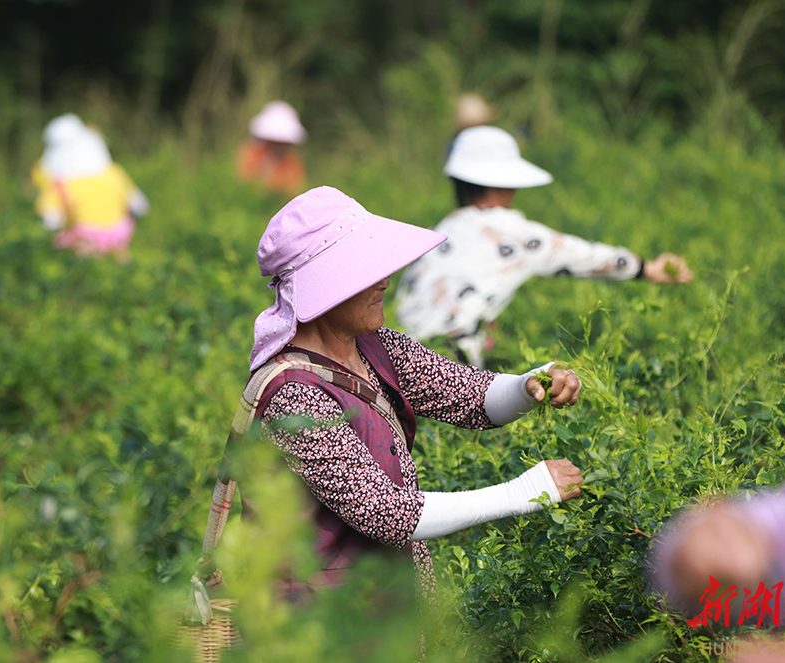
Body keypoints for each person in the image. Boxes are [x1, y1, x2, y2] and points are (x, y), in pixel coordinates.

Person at [197, 186, 584, 611]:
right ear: (324, 285)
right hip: (319, 625)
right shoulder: (294, 395)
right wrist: (523, 492)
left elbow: (472, 396)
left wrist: (529, 385)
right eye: (366, 269)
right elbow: (386, 513)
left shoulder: (376, 347)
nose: (384, 280)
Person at [396, 125, 693, 367]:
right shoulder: (511, 233)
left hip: (398, 351)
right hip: (446, 357)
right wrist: (645, 268)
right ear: (506, 183)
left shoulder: (444, 230)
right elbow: (580, 255)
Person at [650, 471, 785, 622]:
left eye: (717, 537)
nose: (724, 550)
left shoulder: (771, 518)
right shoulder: (775, 601)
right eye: (715, 575)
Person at [32, 113, 149, 260]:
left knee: (78, 256)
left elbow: (51, 219)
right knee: (120, 260)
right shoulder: (113, 172)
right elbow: (139, 204)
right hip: (118, 232)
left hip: (84, 237)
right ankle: (123, 263)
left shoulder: (60, 184)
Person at [235, 101, 307, 196]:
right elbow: (243, 184)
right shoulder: (251, 154)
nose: (280, 147)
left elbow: (294, 191)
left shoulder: (292, 162)